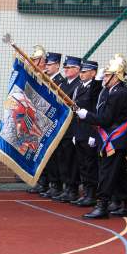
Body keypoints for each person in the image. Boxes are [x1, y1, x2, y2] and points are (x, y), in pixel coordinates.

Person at [76, 55, 127, 219]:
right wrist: (100, 81)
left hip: (114, 139)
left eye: (108, 75)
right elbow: (99, 99)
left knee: (107, 173)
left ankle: (102, 204)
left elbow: (105, 119)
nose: (105, 77)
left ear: (117, 76)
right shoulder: (112, 89)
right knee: (120, 173)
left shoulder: (119, 92)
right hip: (111, 138)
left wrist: (86, 115)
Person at [29, 52, 64, 196]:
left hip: (53, 122)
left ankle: (55, 185)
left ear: (57, 65)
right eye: (46, 64)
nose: (47, 67)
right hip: (42, 122)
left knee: (54, 157)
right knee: (42, 154)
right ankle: (44, 182)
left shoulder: (60, 81)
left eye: (50, 64)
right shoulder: (45, 78)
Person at [71, 60, 102, 207]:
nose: (81, 74)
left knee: (90, 164)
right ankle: (86, 192)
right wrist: (75, 134)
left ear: (93, 73)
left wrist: (93, 134)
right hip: (79, 131)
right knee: (82, 163)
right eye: (81, 72)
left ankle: (92, 194)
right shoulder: (78, 87)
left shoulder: (95, 88)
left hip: (90, 131)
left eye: (84, 72)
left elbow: (95, 111)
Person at [52, 56, 81, 203]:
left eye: (69, 68)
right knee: (62, 158)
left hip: (72, 128)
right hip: (62, 127)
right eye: (66, 68)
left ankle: (72, 189)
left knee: (71, 160)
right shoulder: (63, 85)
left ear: (77, 69)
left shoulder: (78, 84)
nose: (66, 70)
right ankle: (65, 186)